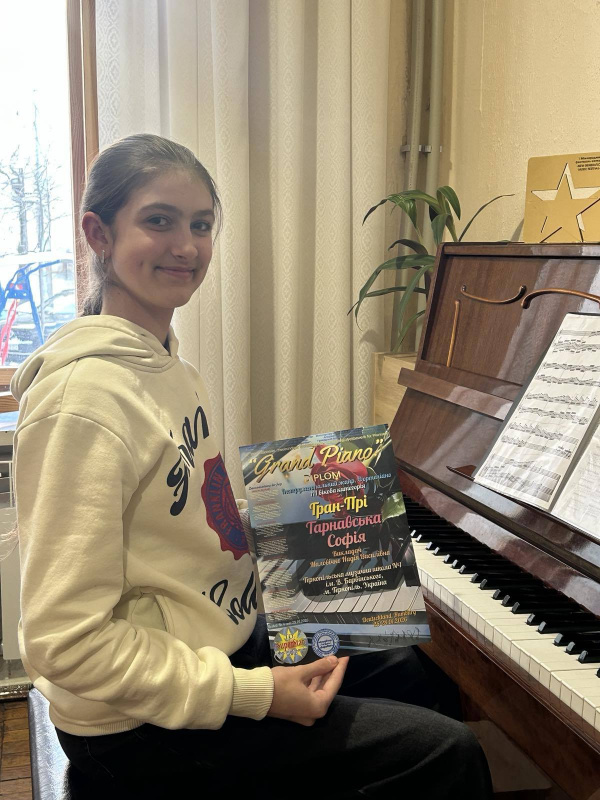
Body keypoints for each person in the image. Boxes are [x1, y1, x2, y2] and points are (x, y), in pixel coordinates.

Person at [11, 133, 493, 799]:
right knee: (446, 753)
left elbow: (183, 521)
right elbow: (64, 644)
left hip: (219, 643)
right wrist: (258, 694)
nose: (186, 246)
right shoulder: (82, 404)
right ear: (99, 233)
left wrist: (308, 515)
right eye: (159, 220)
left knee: (403, 661)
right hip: (134, 726)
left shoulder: (169, 366)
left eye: (201, 225)